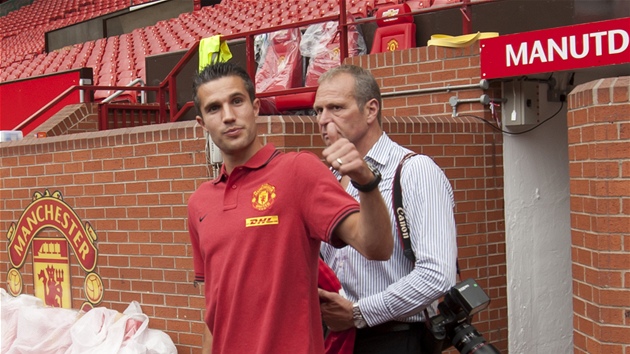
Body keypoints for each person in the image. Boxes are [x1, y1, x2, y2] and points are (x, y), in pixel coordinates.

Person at [187, 62, 394, 354]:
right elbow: (215, 312)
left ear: (255, 107)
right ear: (202, 123)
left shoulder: (298, 171)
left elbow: (378, 247)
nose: (229, 116)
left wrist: (366, 183)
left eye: (237, 101)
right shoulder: (199, 202)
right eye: (214, 108)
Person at [314, 65, 458, 354]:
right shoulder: (326, 179)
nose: (323, 120)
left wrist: (359, 312)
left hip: (394, 338)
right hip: (334, 340)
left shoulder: (415, 171)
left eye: (336, 108)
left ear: (370, 111)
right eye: (318, 110)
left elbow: (437, 275)